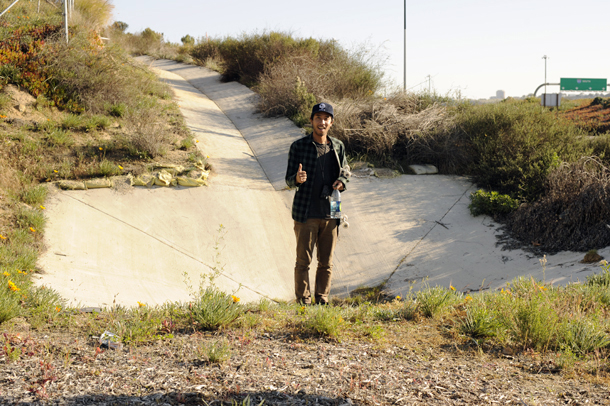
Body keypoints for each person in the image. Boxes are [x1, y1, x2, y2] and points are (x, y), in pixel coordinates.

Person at [285, 102, 350, 305]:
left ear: (331, 122)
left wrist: (342, 181)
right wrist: (297, 179)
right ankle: (303, 302)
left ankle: (322, 300)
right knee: (303, 262)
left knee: (326, 263)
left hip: (332, 211)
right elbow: (288, 180)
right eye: (318, 118)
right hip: (306, 212)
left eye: (326, 118)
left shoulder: (338, 146)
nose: (322, 122)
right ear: (312, 120)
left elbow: (346, 169)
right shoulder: (299, 146)